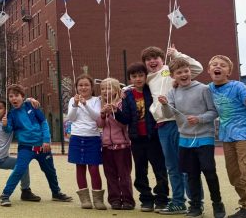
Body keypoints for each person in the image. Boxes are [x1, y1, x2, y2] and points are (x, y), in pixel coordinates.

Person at [157, 58, 224, 217]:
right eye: (179, 72)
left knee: (208, 170)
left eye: (186, 71)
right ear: (173, 76)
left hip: (204, 137)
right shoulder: (172, 92)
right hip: (185, 138)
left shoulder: (204, 89)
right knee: (191, 173)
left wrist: (199, 118)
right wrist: (165, 104)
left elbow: (214, 112)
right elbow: (167, 115)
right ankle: (195, 206)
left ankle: (217, 204)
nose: (183, 74)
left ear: (190, 71)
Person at [142, 45, 202, 215]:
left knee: (187, 165)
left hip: (179, 123)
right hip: (162, 126)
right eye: (148, 59)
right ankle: (178, 202)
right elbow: (135, 86)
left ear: (162, 59)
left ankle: (196, 202)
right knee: (172, 166)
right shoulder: (148, 79)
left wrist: (176, 54)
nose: (152, 61)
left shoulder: (172, 71)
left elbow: (197, 68)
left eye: (156, 57)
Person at [206, 55, 246, 218]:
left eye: (223, 65)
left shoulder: (238, 86)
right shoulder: (209, 88)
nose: (218, 67)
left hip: (245, 135)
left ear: (228, 71)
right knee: (233, 174)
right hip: (226, 136)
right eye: (214, 64)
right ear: (209, 70)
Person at [0, 84, 73, 207]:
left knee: (50, 171)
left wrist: (46, 140)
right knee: (19, 170)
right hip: (25, 148)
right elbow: (8, 130)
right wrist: (5, 125)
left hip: (43, 147)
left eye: (16, 95)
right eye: (11, 96)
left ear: (23, 97)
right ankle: (5, 195)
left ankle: (56, 193)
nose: (14, 99)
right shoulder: (11, 114)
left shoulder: (32, 106)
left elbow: (44, 123)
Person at [116, 62, 169, 212]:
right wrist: (117, 111)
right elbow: (125, 118)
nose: (138, 79)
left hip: (153, 137)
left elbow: (164, 79)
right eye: (134, 76)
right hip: (137, 139)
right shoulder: (127, 95)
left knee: (159, 169)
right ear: (130, 79)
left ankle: (162, 199)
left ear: (146, 76)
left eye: (141, 75)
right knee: (140, 170)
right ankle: (146, 199)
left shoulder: (151, 90)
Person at [65, 74, 106, 210]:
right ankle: (85, 199)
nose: (83, 87)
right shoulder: (72, 100)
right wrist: (76, 105)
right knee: (80, 168)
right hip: (77, 137)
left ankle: (98, 200)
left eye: (86, 85)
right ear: (76, 87)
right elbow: (71, 118)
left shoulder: (97, 100)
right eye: (80, 85)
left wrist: (85, 104)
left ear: (91, 87)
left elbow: (97, 117)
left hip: (93, 137)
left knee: (94, 169)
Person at [97, 78, 135, 210]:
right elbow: (100, 125)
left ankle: (128, 200)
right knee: (110, 174)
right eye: (102, 88)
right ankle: (114, 200)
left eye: (108, 88)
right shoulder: (102, 104)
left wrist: (114, 113)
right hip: (107, 146)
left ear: (116, 90)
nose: (105, 91)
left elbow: (123, 123)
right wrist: (102, 115)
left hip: (122, 145)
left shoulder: (121, 103)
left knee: (124, 174)